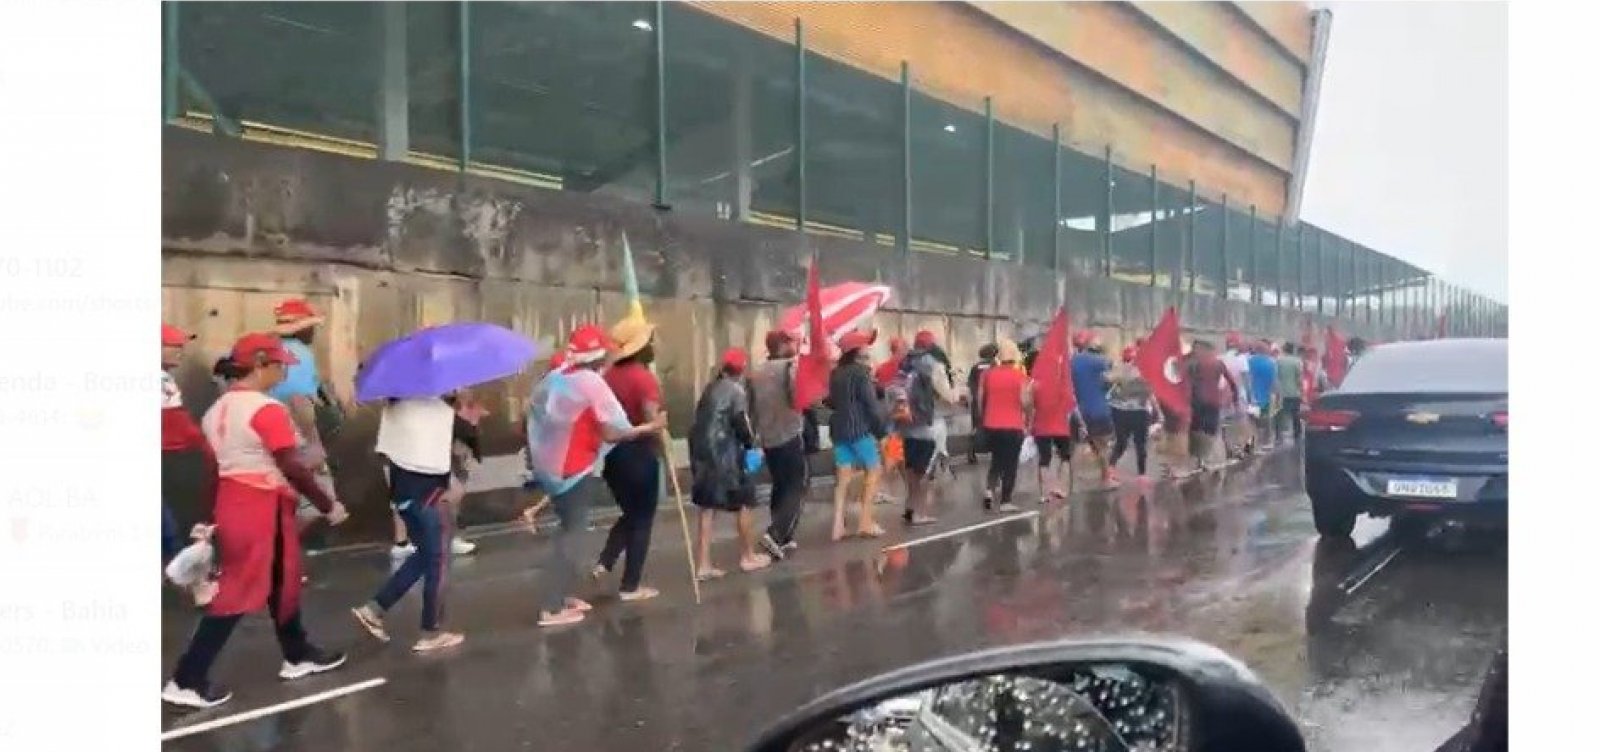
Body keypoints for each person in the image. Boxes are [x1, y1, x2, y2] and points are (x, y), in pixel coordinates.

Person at [163, 333, 351, 709]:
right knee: (237, 592)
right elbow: (291, 465)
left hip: (239, 503)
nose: (283, 372)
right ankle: (187, 678)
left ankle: (297, 653)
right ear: (261, 364)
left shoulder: (216, 411)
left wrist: (209, 516)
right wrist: (326, 504)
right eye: (280, 365)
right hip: (260, 504)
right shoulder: (265, 410)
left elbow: (215, 471)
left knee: (282, 579)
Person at [525, 325, 666, 628]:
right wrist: (648, 429)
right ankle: (551, 606)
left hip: (548, 466)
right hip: (572, 469)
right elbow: (614, 431)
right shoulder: (591, 383)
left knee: (568, 529)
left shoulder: (557, 375)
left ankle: (561, 597)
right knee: (571, 535)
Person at [350, 394, 467, 654]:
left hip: (403, 496)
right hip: (429, 497)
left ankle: (375, 609)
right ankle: (431, 631)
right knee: (438, 561)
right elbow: (459, 437)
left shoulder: (395, 408)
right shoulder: (434, 409)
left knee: (425, 556)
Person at [267, 299, 357, 549]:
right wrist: (314, 442)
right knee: (319, 499)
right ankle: (278, 550)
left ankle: (276, 552)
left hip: (265, 434)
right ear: (304, 329)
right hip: (293, 434)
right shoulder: (299, 354)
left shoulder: (268, 349)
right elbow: (298, 401)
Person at [594, 317, 666, 603]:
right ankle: (631, 584)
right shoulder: (644, 378)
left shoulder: (607, 376)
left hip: (613, 458)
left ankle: (605, 561)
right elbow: (652, 418)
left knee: (631, 513)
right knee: (642, 519)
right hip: (639, 452)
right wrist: (661, 442)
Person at [689, 348, 772, 578]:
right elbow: (742, 424)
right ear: (742, 370)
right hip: (727, 456)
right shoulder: (736, 391)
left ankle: (703, 564)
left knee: (707, 508)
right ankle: (748, 556)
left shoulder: (709, 389)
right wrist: (752, 446)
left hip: (703, 455)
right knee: (744, 502)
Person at [747, 330, 809, 560]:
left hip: (768, 437)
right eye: (791, 341)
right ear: (783, 345)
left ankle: (784, 534)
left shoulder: (757, 372)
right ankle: (776, 533)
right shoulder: (790, 368)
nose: (795, 345)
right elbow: (797, 399)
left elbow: (751, 408)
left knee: (780, 485)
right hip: (789, 433)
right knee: (796, 485)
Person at [890, 330, 962, 526]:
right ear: (932, 345)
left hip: (905, 423)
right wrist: (957, 390)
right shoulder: (933, 365)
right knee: (924, 472)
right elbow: (948, 396)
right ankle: (919, 513)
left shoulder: (905, 363)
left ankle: (910, 507)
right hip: (925, 426)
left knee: (911, 470)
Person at [828, 330, 888, 540]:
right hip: (859, 428)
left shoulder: (835, 373)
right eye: (864, 346)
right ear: (856, 351)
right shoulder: (861, 373)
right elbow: (871, 405)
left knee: (843, 478)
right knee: (874, 470)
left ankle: (837, 526)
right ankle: (865, 521)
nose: (867, 349)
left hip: (839, 429)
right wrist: (881, 431)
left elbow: (831, 401)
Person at [162, 324, 213, 566]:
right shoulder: (162, 380)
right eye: (174, 345)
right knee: (184, 517)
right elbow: (176, 422)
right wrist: (205, 443)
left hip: (171, 455)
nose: (180, 350)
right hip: (172, 457)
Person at [977, 339, 1031, 512]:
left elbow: (979, 399)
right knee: (1010, 464)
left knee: (996, 461)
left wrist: (982, 418)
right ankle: (1006, 500)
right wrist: (1028, 418)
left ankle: (989, 491)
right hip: (1013, 425)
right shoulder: (1021, 377)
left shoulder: (987, 375)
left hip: (991, 424)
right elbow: (1025, 402)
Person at [1108, 344, 1160, 482]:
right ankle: (1141, 474)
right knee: (1140, 444)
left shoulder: (1117, 370)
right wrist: (1158, 411)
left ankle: (1111, 467)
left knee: (1121, 442)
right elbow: (1150, 393)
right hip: (1139, 412)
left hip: (1119, 411)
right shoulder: (1144, 371)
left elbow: (1108, 387)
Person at [1071, 333, 1117, 488]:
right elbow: (1110, 376)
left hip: (1078, 410)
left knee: (1076, 446)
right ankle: (1106, 479)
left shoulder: (1073, 361)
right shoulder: (1099, 361)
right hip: (1098, 409)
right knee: (1103, 445)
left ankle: (1072, 481)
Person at [1186, 339, 1239, 472]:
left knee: (1196, 428)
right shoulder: (1218, 364)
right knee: (1209, 429)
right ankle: (1202, 458)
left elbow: (1184, 382)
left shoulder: (1192, 363)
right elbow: (1232, 383)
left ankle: (1198, 458)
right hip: (1212, 401)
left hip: (1195, 401)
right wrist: (1235, 399)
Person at [873, 336, 910, 505]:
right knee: (893, 454)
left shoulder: (882, 368)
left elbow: (878, 390)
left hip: (885, 414)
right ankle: (877, 490)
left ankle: (909, 486)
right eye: (906, 349)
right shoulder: (901, 368)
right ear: (900, 350)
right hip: (897, 416)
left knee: (898, 454)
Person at [1220, 332, 1255, 458]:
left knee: (1224, 424)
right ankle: (1241, 447)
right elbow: (1246, 380)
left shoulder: (1220, 358)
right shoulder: (1241, 360)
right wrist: (1251, 398)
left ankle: (1227, 447)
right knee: (1241, 422)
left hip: (1223, 395)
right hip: (1239, 395)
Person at [966, 343, 999, 464]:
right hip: (992, 400)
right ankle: (996, 451)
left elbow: (970, 384)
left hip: (977, 401)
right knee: (994, 427)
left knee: (976, 426)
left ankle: (971, 452)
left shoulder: (976, 367)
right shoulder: (994, 366)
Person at [1247, 340, 1279, 451]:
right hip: (1266, 397)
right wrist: (1277, 394)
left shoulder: (1249, 361)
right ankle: (1266, 442)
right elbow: (1274, 382)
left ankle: (1255, 443)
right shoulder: (1271, 363)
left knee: (1253, 422)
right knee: (1265, 421)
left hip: (1252, 397)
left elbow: (1247, 379)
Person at [1275, 342, 1306, 443]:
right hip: (1294, 393)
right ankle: (1297, 435)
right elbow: (1299, 379)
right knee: (1295, 415)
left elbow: (1276, 377)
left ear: (1284, 349)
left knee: (1280, 414)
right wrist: (1302, 392)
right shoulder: (1297, 362)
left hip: (1282, 393)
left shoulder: (1279, 361)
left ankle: (1278, 435)